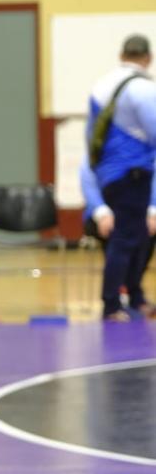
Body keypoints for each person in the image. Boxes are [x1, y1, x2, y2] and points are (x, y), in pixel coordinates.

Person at [79, 34, 156, 321]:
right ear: (147, 59)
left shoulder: (101, 86)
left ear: (122, 55)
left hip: (109, 175)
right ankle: (112, 304)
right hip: (132, 174)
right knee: (127, 240)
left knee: (134, 238)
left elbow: (92, 140)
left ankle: (134, 297)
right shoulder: (143, 90)